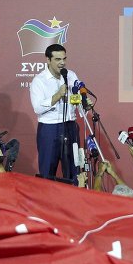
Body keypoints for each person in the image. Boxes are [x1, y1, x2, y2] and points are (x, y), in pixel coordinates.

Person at [29, 44, 88, 182]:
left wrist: (84, 102)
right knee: (47, 171)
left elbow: (77, 97)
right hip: (49, 129)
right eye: (57, 59)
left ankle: (73, 199)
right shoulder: (39, 81)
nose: (62, 62)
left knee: (74, 168)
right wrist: (57, 95)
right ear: (48, 60)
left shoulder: (71, 75)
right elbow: (37, 108)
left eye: (64, 58)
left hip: (71, 127)